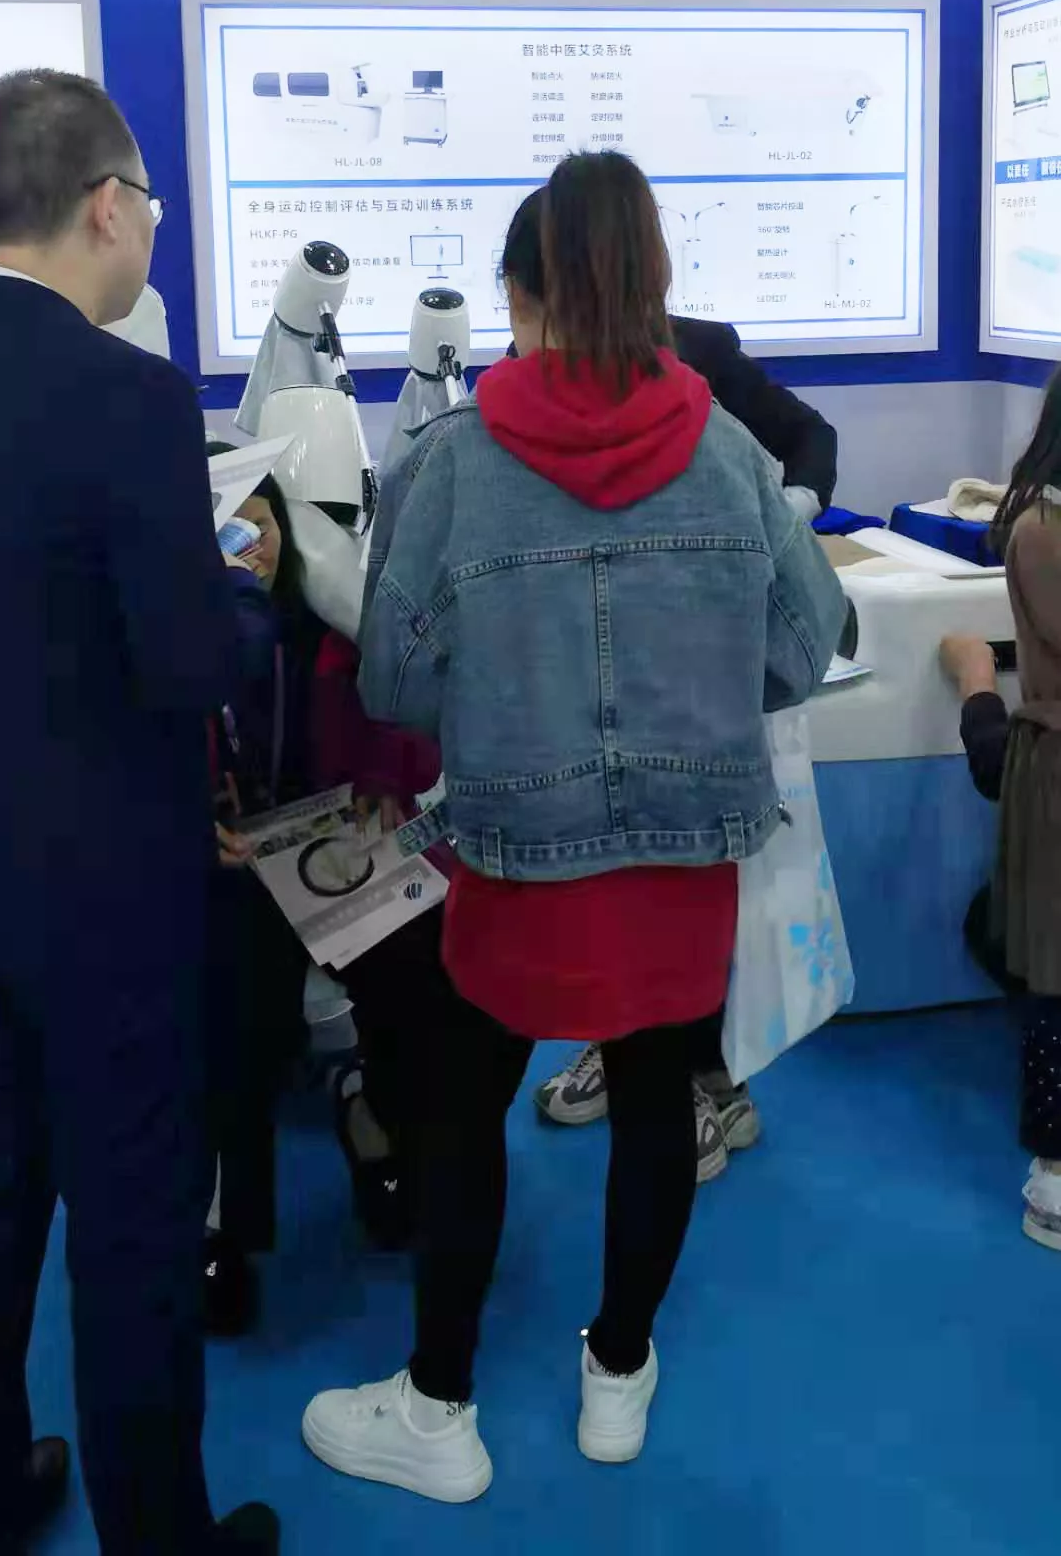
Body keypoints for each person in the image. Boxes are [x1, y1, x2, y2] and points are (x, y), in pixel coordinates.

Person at [302, 151, 846, 1501]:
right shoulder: (730, 453)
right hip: (683, 853)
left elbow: (393, 680)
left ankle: (438, 1407)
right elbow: (805, 645)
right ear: (655, 282)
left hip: (511, 853)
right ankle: (618, 1372)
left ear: (517, 293)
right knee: (659, 1099)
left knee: (462, 1108)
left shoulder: (448, 463)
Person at [0, 71, 278, 1555]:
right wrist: (242, 585)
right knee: (135, 1229)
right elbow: (187, 664)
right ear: (107, 206)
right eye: (151, 205)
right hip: (105, 898)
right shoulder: (131, 399)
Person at [524, 204, 838, 1163]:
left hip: (702, 673)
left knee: (697, 883)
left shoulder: (704, 356)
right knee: (609, 889)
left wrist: (784, 514)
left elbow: (810, 435)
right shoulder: (525, 379)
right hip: (590, 670)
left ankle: (712, 1081)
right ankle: (621, 1049)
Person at [203, 451, 444, 1332]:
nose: (250, 546)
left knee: (417, 979)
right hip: (228, 875)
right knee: (234, 1036)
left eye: (261, 524)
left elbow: (402, 720)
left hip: (337, 843)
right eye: (228, 530)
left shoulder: (332, 619)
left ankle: (379, 1123)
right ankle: (225, 1229)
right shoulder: (175, 636)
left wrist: (379, 781)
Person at [941, 368, 1061, 1254]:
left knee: (1048, 970)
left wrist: (977, 680)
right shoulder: (1040, 534)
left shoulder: (1038, 533)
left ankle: (1054, 1177)